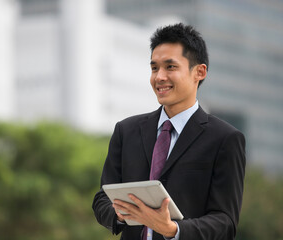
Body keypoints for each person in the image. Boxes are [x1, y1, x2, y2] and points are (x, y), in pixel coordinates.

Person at [92, 23, 246, 240]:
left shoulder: (225, 139)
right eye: (154, 68)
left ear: (199, 72)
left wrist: (172, 230)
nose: (159, 77)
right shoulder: (126, 131)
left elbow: (225, 222)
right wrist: (120, 213)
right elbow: (102, 198)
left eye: (170, 67)